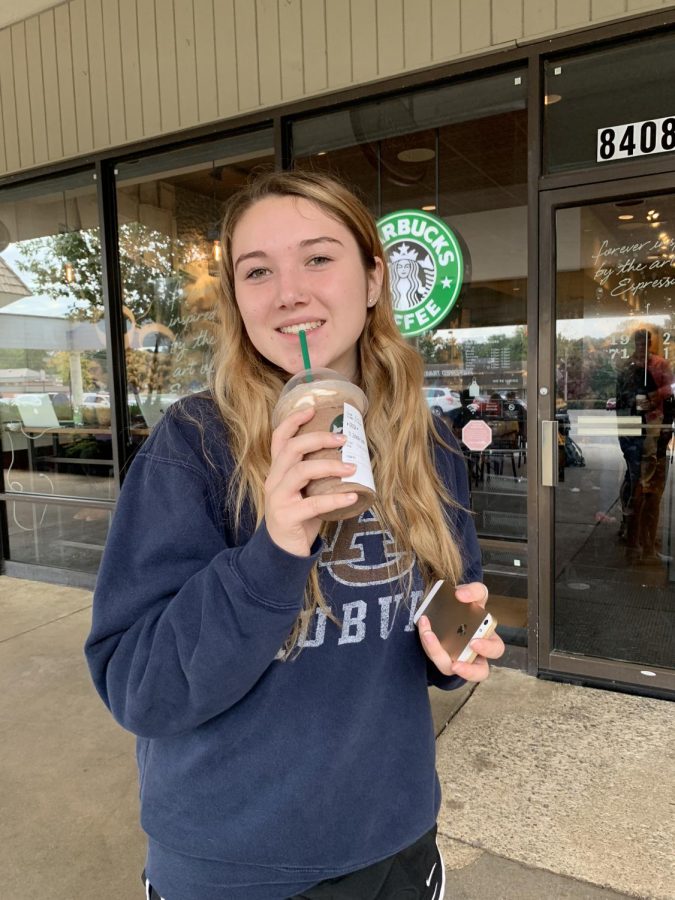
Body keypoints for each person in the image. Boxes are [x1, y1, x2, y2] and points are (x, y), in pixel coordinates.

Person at [84, 171, 504, 900]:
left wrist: (459, 643)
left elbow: (439, 610)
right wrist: (274, 548)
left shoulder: (428, 442)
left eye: (318, 258)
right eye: (258, 271)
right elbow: (139, 687)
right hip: (234, 864)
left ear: (374, 279)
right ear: (238, 300)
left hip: (395, 838)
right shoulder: (194, 448)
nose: (289, 292)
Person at [615, 328, 673, 562]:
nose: (641, 346)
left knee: (646, 484)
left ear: (651, 344)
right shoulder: (628, 366)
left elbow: (671, 388)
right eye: (638, 342)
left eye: (645, 342)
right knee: (636, 479)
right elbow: (621, 395)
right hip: (632, 427)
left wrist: (654, 397)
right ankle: (634, 536)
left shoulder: (660, 364)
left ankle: (643, 539)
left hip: (652, 426)